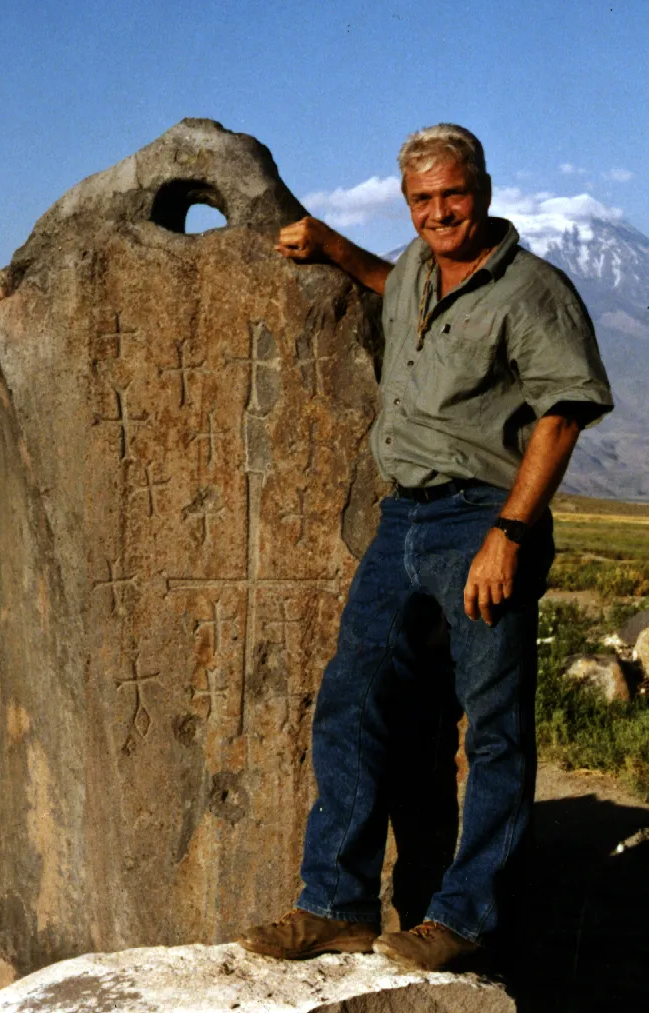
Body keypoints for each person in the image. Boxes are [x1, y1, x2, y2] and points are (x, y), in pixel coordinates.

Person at [236, 124, 613, 971]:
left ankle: (465, 916)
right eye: (421, 200)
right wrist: (334, 246)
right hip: (399, 518)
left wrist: (508, 533)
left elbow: (561, 414)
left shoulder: (531, 290)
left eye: (452, 194)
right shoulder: (415, 267)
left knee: (492, 730)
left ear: (481, 187)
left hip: (483, 517)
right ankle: (335, 901)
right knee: (351, 700)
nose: (439, 212)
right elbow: (387, 282)